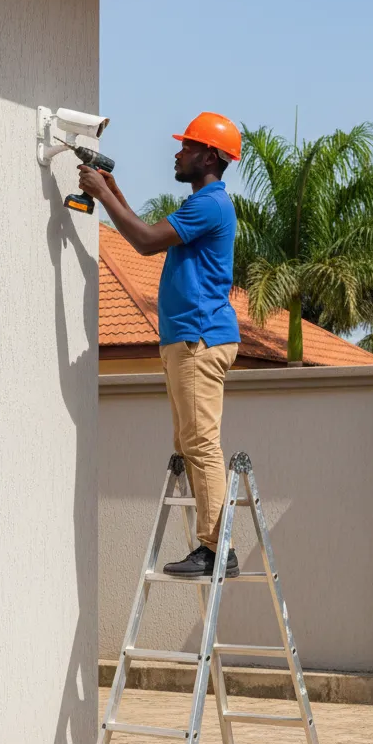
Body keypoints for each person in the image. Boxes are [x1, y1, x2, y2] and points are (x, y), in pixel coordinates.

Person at [77, 112, 242, 578]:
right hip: (187, 340)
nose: (177, 152)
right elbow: (145, 231)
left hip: (199, 339)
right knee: (189, 443)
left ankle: (216, 548)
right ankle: (210, 545)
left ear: (209, 156)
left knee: (201, 443)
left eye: (187, 147)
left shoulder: (210, 204)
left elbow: (147, 242)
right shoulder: (202, 206)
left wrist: (102, 192)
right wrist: (112, 190)